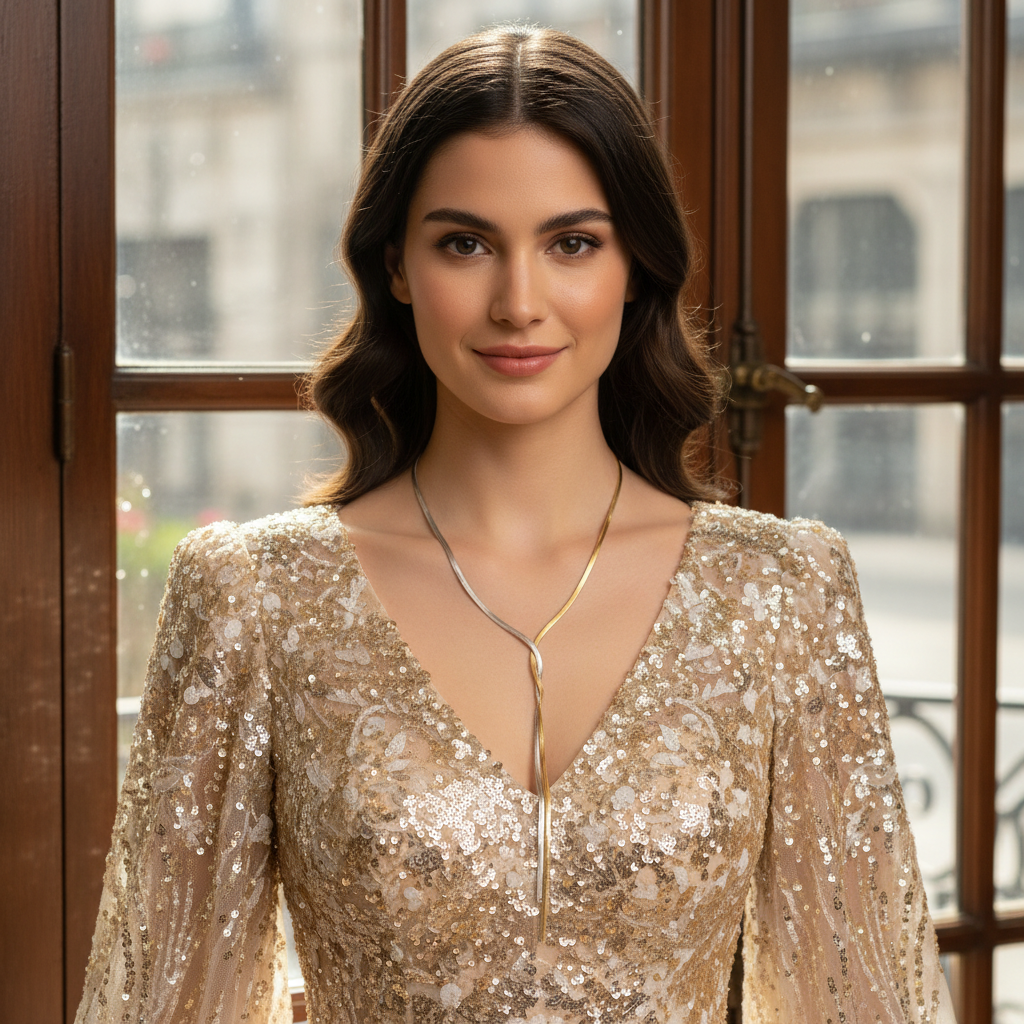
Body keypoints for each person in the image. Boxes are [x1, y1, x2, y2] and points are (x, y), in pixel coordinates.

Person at [76, 24, 955, 1024]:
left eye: (571, 243)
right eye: (465, 243)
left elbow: (873, 1002)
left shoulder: (779, 592)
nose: (519, 302)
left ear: (636, 270)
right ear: (396, 266)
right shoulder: (254, 595)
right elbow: (157, 1001)